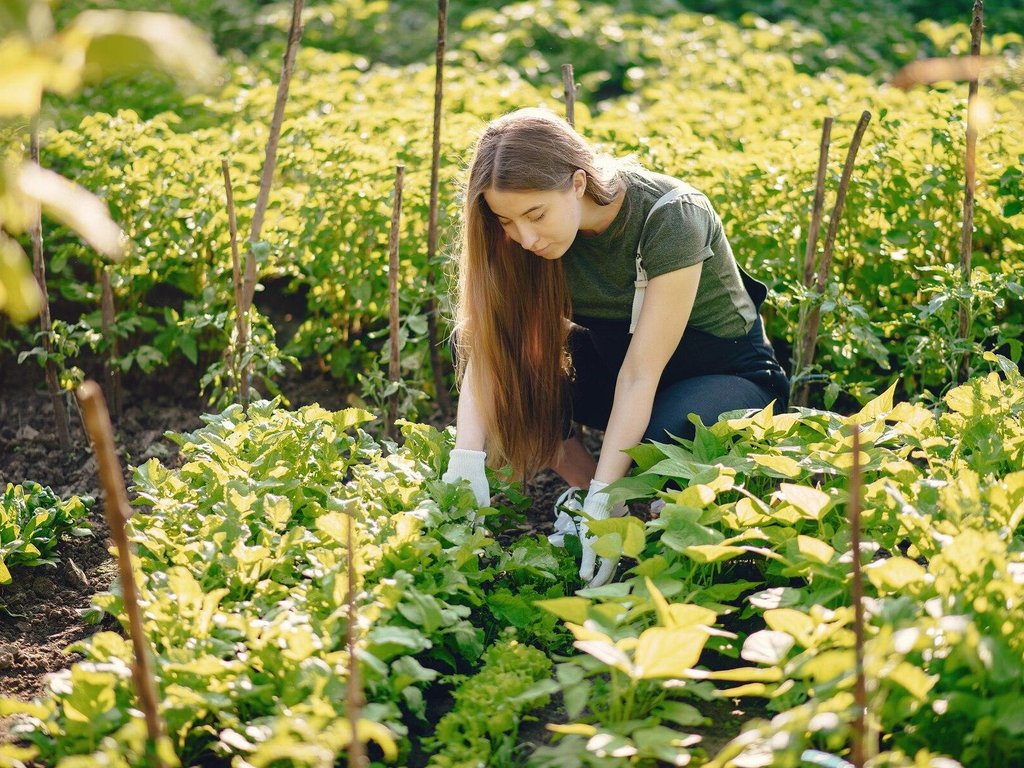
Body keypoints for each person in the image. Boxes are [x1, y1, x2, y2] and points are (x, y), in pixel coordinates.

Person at [441, 107, 789, 587]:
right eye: (506, 219)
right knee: (481, 340)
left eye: (535, 214)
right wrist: (466, 461)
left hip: (719, 375)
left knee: (666, 443)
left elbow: (641, 374)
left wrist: (612, 491)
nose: (524, 236)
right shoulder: (524, 241)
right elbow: (491, 348)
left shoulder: (670, 216)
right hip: (617, 362)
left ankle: (642, 508)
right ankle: (588, 498)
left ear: (579, 183)